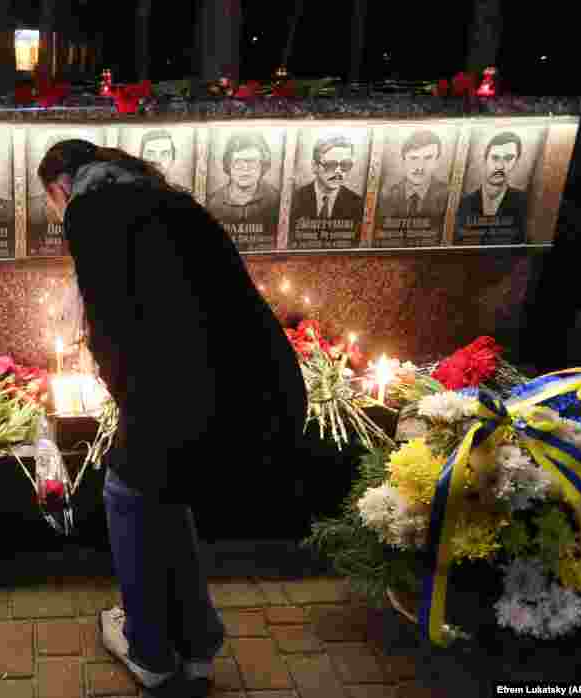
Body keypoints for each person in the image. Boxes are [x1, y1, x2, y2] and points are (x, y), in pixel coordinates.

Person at [38, 140, 306, 698]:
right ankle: (199, 643)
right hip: (257, 382)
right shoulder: (155, 197)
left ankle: (151, 652)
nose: (57, 216)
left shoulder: (90, 209)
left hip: (196, 390)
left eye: (51, 205)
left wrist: (124, 398)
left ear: (60, 187)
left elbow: (112, 325)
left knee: (125, 491)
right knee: (160, 491)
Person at [457, 131, 528, 243]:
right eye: (495, 158)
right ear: (485, 160)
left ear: (517, 162)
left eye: (508, 158)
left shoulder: (525, 203)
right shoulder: (463, 203)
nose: (500, 166)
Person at [206, 131, 280, 222]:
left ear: (263, 164)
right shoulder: (213, 203)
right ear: (228, 164)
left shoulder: (276, 200)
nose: (245, 169)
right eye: (237, 162)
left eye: (251, 161)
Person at [290, 134, 363, 222]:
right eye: (331, 165)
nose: (338, 171)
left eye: (345, 165)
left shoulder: (357, 204)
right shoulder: (295, 199)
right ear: (314, 166)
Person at [378, 130, 450, 217]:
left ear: (437, 162)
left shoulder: (449, 197)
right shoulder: (385, 197)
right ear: (403, 161)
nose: (420, 167)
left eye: (428, 158)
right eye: (413, 158)